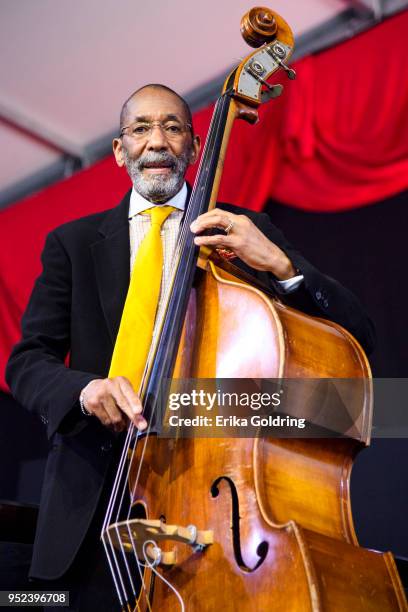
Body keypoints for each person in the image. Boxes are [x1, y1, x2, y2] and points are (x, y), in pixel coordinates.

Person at [6, 84, 374, 610]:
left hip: (209, 513)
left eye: (173, 127)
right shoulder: (72, 243)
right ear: (118, 150)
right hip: (91, 515)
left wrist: (280, 264)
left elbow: (355, 333)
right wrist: (84, 390)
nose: (157, 141)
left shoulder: (242, 232)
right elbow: (28, 360)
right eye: (141, 128)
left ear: (195, 146)